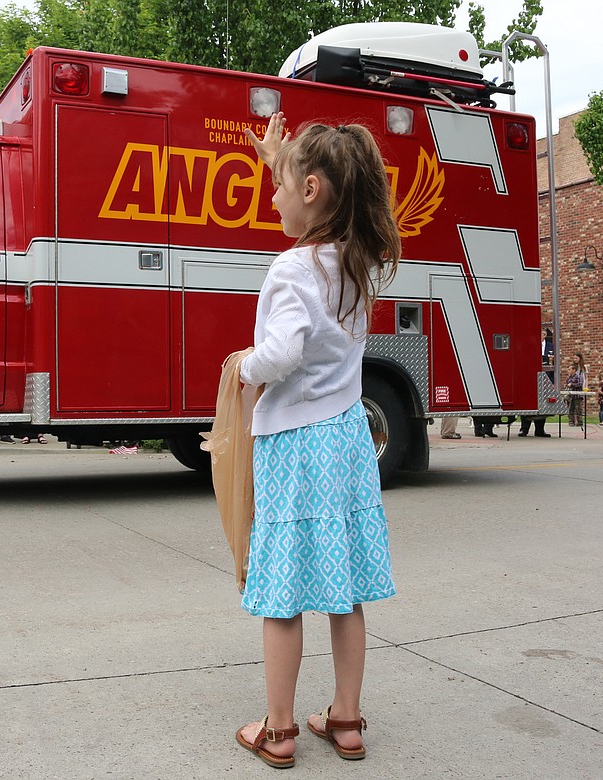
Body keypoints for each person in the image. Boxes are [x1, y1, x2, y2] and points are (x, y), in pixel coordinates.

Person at [230, 113, 399, 769]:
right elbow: (302, 191)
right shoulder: (353, 262)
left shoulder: (292, 268)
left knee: (282, 593)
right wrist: (279, 156)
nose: (272, 195)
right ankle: (347, 719)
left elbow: (283, 352)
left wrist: (243, 366)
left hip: (296, 444)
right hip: (347, 439)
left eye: (280, 185)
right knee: (343, 587)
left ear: (311, 192)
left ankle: (277, 730)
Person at [519, 328, 554, 437]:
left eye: (540, 334)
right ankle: (524, 429)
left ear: (544, 335)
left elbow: (553, 365)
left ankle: (539, 430)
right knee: (527, 405)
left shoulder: (551, 347)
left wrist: (553, 382)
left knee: (542, 406)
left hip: (545, 379)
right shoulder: (530, 346)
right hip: (531, 379)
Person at [565, 353, 586, 427]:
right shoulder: (569, 378)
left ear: (574, 370)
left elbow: (580, 384)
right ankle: (571, 421)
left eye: (570, 370)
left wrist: (572, 384)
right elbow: (566, 384)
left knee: (578, 409)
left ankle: (580, 422)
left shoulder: (578, 377)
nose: (568, 371)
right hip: (571, 396)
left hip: (577, 395)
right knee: (571, 409)